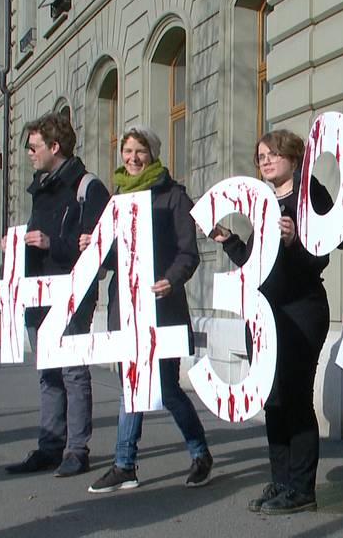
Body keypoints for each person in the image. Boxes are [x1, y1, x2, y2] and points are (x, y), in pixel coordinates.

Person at [84, 125, 213, 493]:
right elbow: (111, 258)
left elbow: (189, 252)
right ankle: (124, 464)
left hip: (163, 308)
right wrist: (93, 245)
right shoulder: (116, 198)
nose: (133, 158)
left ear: (153, 154)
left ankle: (200, 453)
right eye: (127, 151)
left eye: (140, 151)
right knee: (131, 386)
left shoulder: (174, 197)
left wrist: (171, 279)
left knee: (167, 389)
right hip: (126, 308)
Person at [210, 129, 332, 515]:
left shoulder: (311, 196)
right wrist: (230, 240)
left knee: (295, 397)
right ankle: (280, 482)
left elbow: (320, 258)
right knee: (272, 399)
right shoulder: (262, 202)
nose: (264, 160)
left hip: (301, 310)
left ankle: (302, 489)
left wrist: (296, 239)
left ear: (294, 157)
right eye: (260, 155)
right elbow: (254, 263)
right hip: (263, 312)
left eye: (273, 153)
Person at [4, 112, 111, 477]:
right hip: (37, 293)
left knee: (72, 372)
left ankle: (76, 450)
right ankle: (50, 446)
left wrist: (54, 243)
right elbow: (37, 240)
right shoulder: (41, 187)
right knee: (48, 373)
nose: (29, 154)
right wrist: (16, 247)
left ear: (54, 146)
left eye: (33, 147)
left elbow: (99, 249)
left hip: (70, 295)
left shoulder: (88, 188)